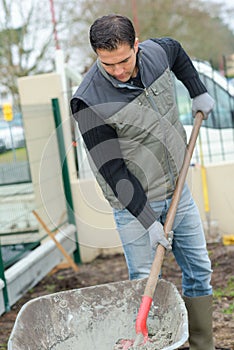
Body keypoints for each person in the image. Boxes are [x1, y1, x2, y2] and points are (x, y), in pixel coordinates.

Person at [71, 14, 215, 350]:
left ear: (136, 45)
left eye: (124, 60)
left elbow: (177, 50)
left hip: (178, 190)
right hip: (135, 206)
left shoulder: (156, 54)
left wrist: (198, 91)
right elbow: (113, 171)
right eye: (108, 65)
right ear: (96, 56)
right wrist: (149, 221)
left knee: (200, 271)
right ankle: (157, 343)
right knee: (147, 284)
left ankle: (202, 344)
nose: (119, 71)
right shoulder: (89, 101)